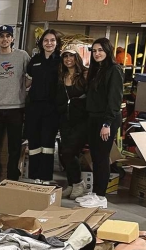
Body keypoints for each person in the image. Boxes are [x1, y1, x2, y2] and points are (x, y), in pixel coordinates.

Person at [76, 37, 122, 209]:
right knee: (95, 156)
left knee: (102, 158)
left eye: (100, 50)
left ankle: (101, 197)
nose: (97, 53)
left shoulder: (114, 70)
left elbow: (114, 100)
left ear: (108, 51)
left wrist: (107, 124)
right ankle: (96, 192)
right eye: (94, 51)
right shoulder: (97, 70)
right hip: (94, 118)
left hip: (106, 120)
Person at [0, 25, 30, 187]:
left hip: (16, 107)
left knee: (14, 146)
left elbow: (30, 76)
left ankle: (12, 177)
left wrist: (25, 88)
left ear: (12, 39)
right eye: (1, 36)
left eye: (7, 36)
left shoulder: (22, 56)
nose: (4, 39)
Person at [24, 29, 62, 182]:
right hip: (34, 107)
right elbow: (27, 81)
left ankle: (45, 177)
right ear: (41, 43)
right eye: (46, 40)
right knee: (34, 142)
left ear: (57, 43)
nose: (49, 43)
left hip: (51, 109)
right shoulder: (34, 60)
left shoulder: (60, 61)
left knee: (47, 143)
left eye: (52, 40)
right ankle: (34, 176)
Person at [56, 46, 88, 200]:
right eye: (65, 56)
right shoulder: (61, 76)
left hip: (81, 121)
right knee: (65, 153)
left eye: (71, 56)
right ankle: (71, 184)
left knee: (70, 152)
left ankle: (78, 183)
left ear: (77, 58)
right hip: (65, 120)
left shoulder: (85, 75)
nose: (68, 59)